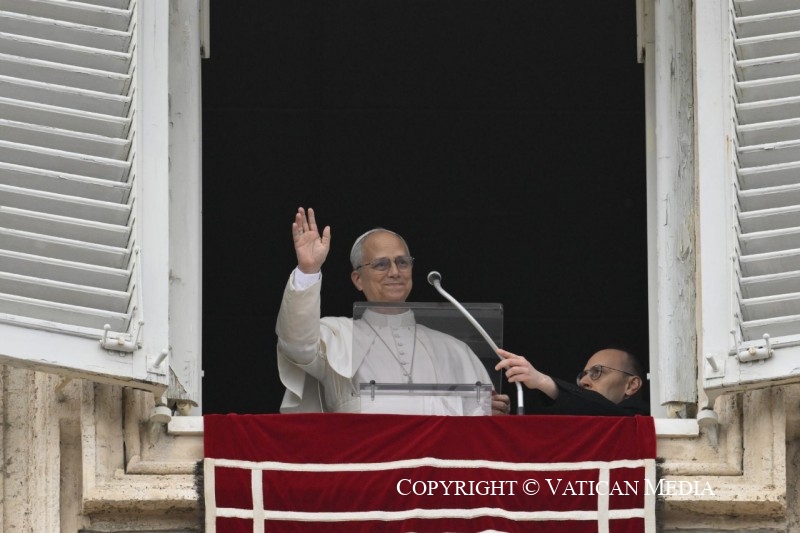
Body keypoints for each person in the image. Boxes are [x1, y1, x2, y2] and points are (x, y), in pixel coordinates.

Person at [276, 207, 511, 415]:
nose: (395, 272)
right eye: (381, 264)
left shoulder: (453, 348)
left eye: (402, 262)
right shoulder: (336, 334)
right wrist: (308, 271)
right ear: (358, 279)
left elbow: (477, 421)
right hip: (362, 449)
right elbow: (297, 346)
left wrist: (489, 412)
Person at [495, 347, 648, 416]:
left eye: (597, 372)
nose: (583, 382)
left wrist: (542, 381)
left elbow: (611, 413)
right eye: (583, 375)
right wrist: (504, 422)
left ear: (631, 385)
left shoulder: (641, 421)